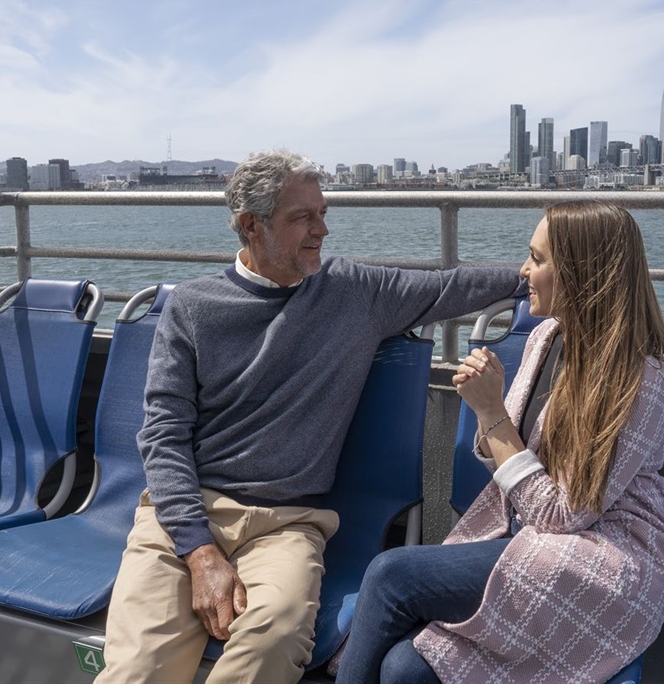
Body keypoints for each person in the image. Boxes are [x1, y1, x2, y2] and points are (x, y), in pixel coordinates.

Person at [95, 149, 527, 684]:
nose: (322, 229)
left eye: (322, 213)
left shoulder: (352, 291)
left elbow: (450, 288)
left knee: (272, 642)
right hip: (181, 517)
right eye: (303, 217)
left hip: (288, 524)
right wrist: (199, 550)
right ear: (252, 226)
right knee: (139, 668)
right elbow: (163, 434)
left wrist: (538, 274)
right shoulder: (191, 307)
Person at [335, 201, 664, 684]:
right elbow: (497, 449)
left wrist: (492, 413)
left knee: (392, 576)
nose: (523, 272)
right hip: (533, 535)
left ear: (583, 274)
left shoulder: (637, 380)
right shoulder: (547, 338)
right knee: (404, 670)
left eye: (537, 260)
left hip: (605, 556)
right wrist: (488, 408)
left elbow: (564, 516)